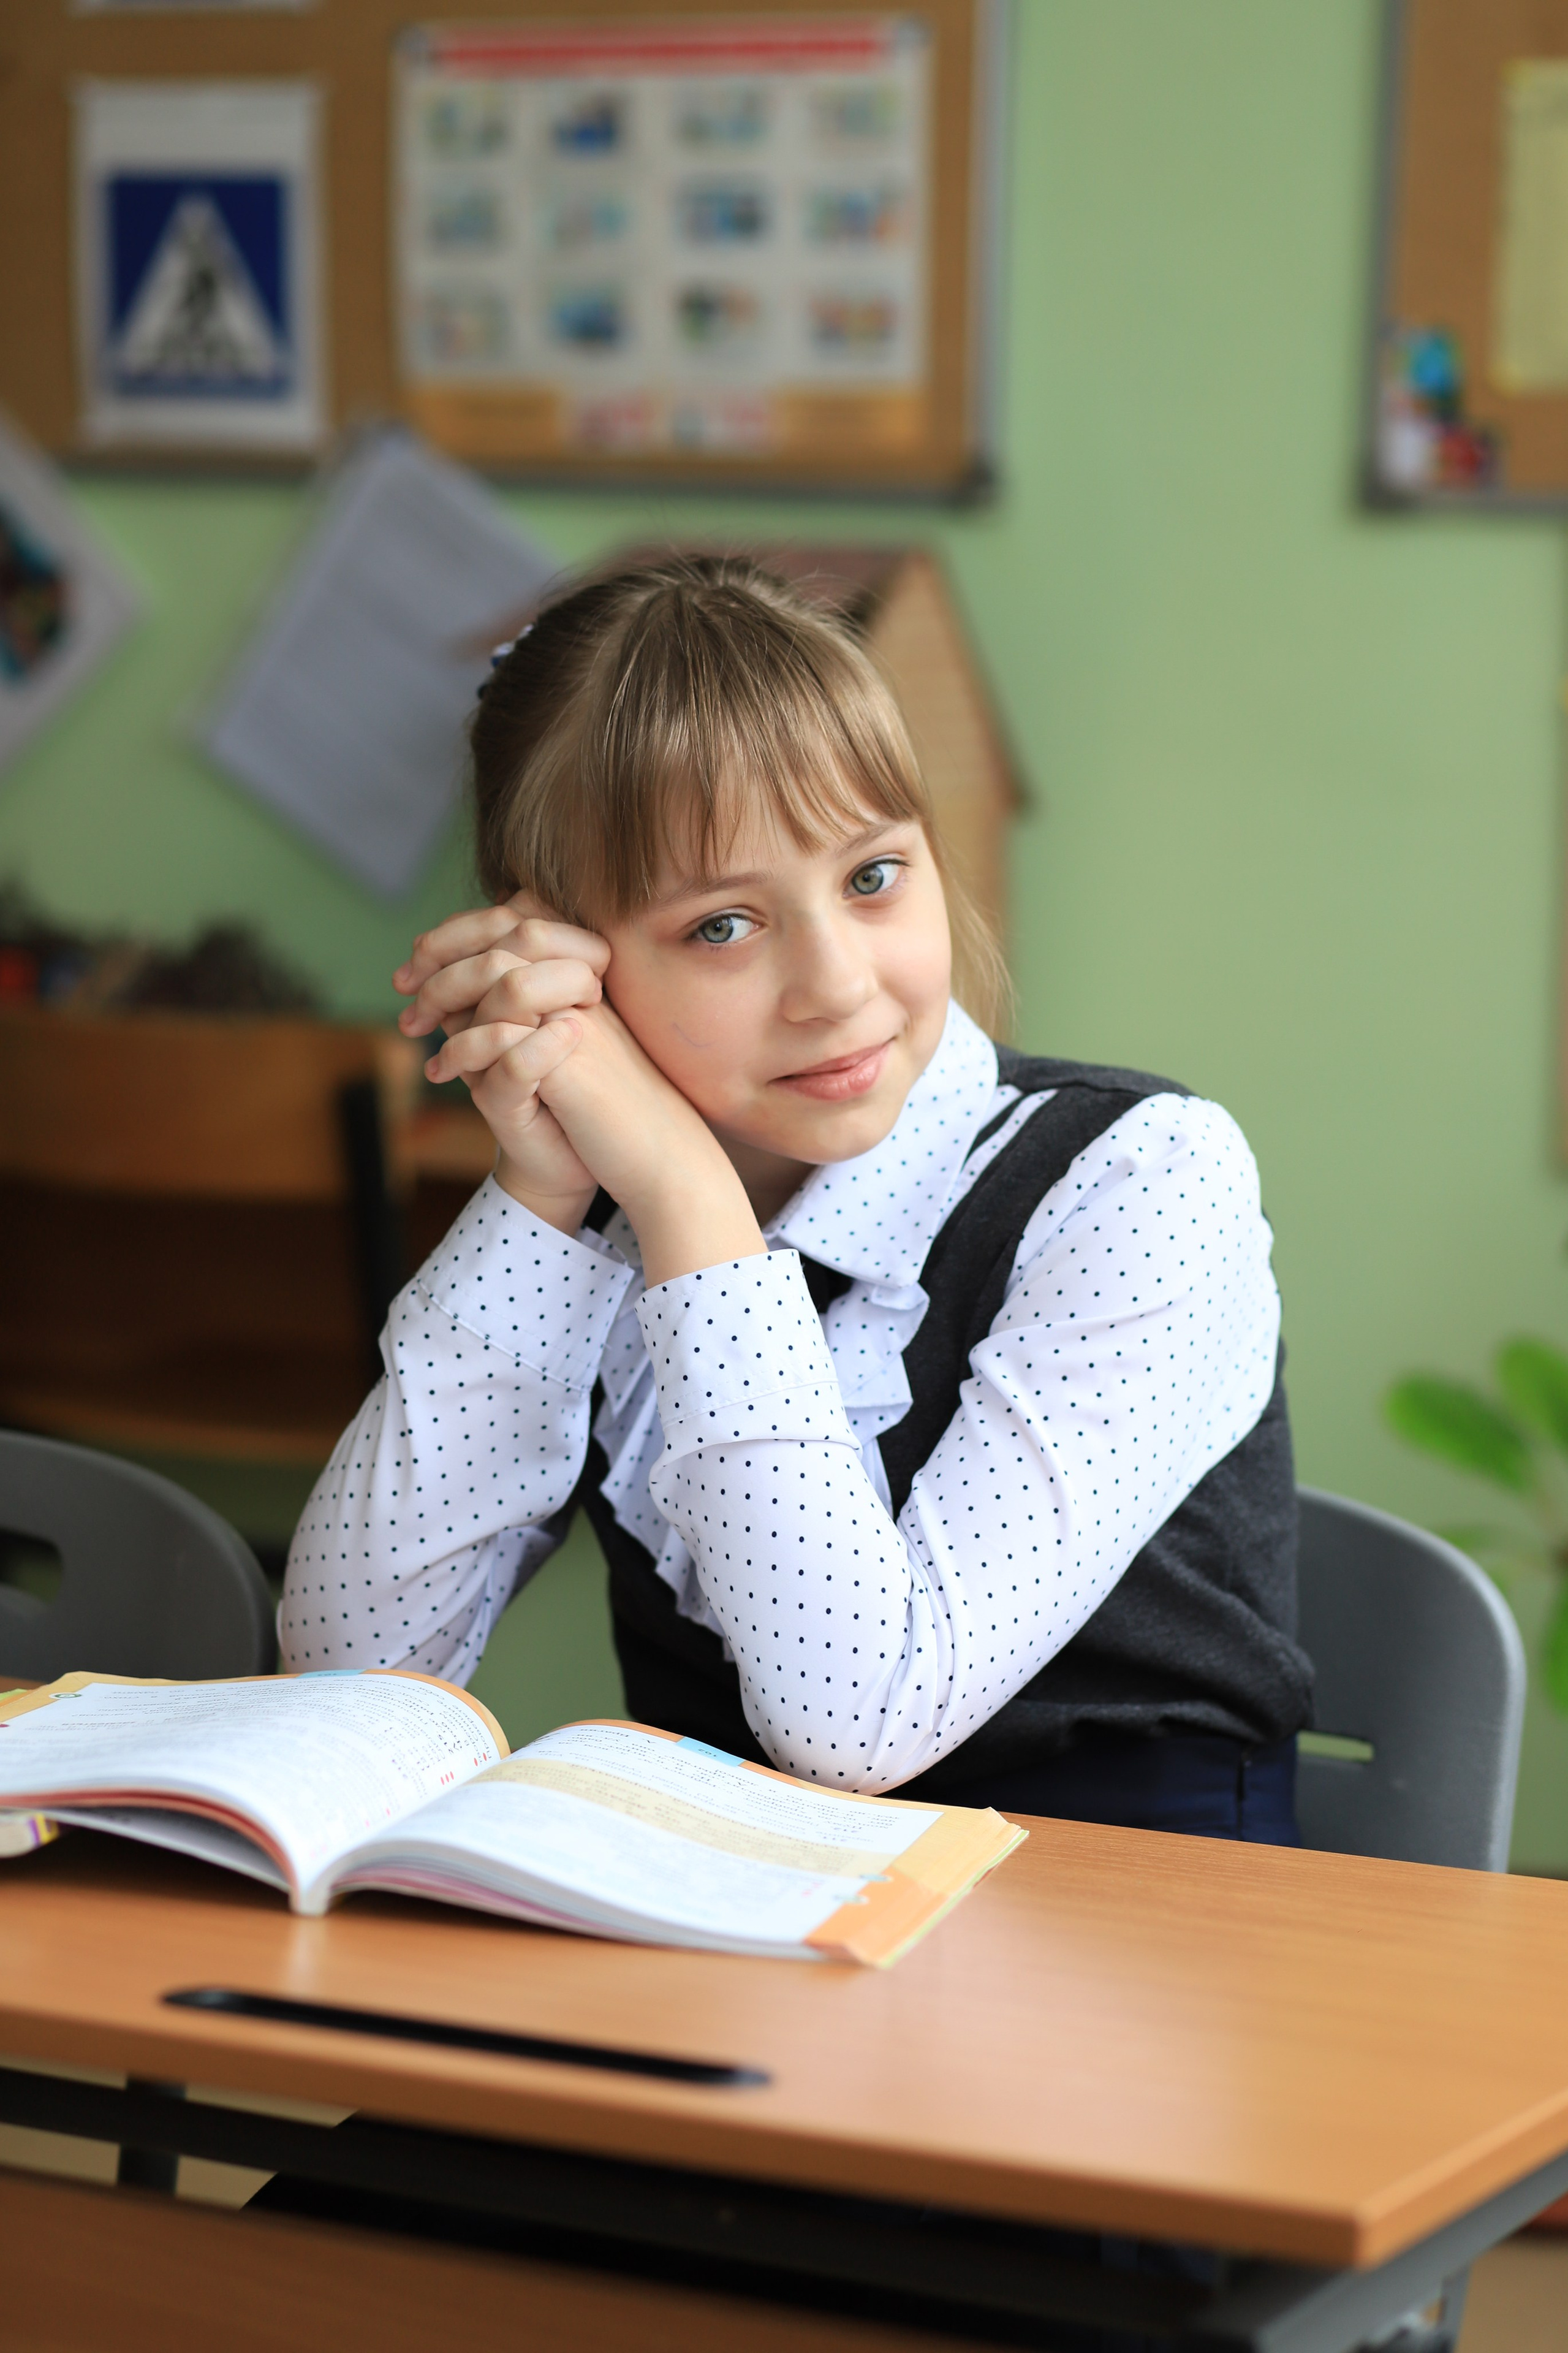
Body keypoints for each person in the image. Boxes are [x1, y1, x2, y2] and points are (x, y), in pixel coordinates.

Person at [281, 554, 1312, 1841]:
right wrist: (542, 1184)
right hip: (738, 1948)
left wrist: (680, 1196)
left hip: (1127, 1954)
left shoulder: (1144, 1183)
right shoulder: (595, 1215)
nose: (832, 983)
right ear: (560, 958)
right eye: (722, 925)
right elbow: (345, 1660)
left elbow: (852, 1726)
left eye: (872, 877)